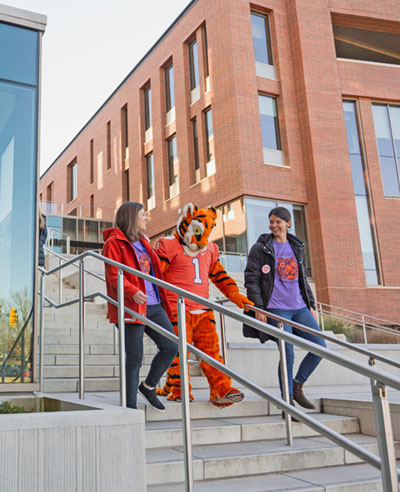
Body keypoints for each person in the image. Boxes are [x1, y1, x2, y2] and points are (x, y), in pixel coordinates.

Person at [244, 206, 326, 412]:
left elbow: (302, 279)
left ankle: (297, 386)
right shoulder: (260, 248)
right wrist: (259, 308)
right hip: (276, 309)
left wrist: (311, 304)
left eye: (278, 222)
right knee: (287, 354)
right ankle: (287, 403)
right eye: (271, 222)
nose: (274, 225)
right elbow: (251, 279)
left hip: (299, 307)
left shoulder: (297, 247)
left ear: (288, 224)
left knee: (320, 347)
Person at [103, 201, 178, 412]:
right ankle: (130, 408)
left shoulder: (145, 242)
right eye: (143, 215)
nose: (146, 218)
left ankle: (148, 386)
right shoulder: (114, 242)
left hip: (154, 305)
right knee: (135, 357)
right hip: (131, 306)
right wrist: (131, 291)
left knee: (171, 346)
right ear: (131, 217)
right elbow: (112, 274)